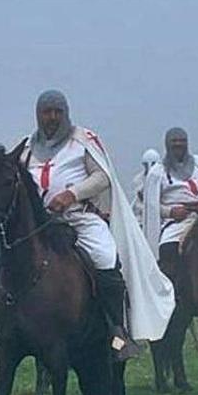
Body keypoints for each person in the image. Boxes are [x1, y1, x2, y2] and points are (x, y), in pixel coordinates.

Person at [19, 89, 174, 357]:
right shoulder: (26, 148)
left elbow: (102, 177)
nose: (52, 117)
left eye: (58, 112)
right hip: (37, 226)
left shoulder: (83, 141)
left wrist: (71, 194)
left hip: (79, 218)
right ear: (38, 114)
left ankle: (117, 331)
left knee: (105, 258)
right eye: (47, 112)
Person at [140, 127, 198, 284]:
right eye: (175, 142)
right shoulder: (157, 173)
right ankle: (173, 290)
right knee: (168, 248)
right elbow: (151, 205)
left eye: (182, 141)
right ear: (167, 144)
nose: (179, 145)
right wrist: (171, 211)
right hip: (179, 221)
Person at [131, 148, 160, 221]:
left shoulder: (162, 178)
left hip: (158, 214)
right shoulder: (138, 179)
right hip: (141, 215)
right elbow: (139, 197)